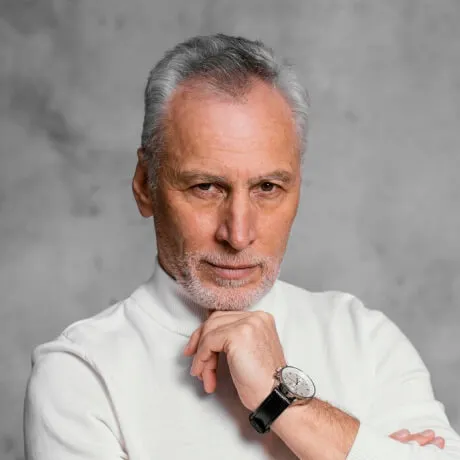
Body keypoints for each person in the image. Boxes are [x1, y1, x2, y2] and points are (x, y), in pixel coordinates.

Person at [23, 34, 460, 460]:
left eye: (267, 187)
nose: (237, 234)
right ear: (144, 185)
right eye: (206, 187)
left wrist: (283, 399)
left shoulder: (366, 339)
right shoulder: (80, 375)